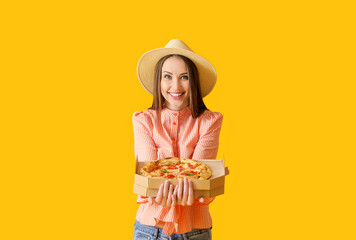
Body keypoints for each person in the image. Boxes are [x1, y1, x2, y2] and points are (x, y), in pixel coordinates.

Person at [132, 39, 223, 240]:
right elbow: (149, 176)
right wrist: (158, 192)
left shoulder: (210, 121)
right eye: (167, 76)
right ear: (159, 81)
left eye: (184, 77)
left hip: (195, 231)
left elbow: (201, 177)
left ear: (194, 81)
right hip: (149, 229)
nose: (176, 85)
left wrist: (195, 195)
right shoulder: (143, 120)